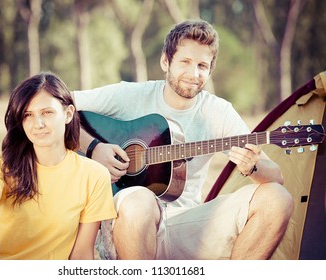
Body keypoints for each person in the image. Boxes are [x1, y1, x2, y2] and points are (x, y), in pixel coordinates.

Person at [72, 19, 293, 260]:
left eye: (202, 65)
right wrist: (93, 147)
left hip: (186, 226)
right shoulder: (131, 95)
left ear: (210, 70)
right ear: (165, 62)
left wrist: (253, 165)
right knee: (139, 199)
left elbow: (276, 177)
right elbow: (60, 104)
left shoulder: (217, 112)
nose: (194, 73)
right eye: (185, 62)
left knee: (277, 198)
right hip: (129, 225)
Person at [0, 72, 116, 260]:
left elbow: (81, 254)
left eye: (47, 112)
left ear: (68, 114)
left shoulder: (94, 175)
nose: (37, 124)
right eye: (28, 115)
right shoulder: (1, 164)